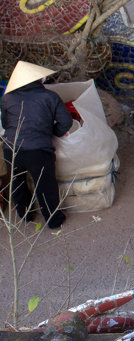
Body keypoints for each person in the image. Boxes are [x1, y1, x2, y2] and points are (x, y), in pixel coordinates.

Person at [2, 61, 72, 229]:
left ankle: (25, 215)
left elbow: (5, 124)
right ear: (38, 80)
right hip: (38, 150)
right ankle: (54, 220)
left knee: (17, 183)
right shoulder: (50, 97)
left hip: (11, 148)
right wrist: (53, 131)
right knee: (45, 185)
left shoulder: (6, 98)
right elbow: (66, 121)